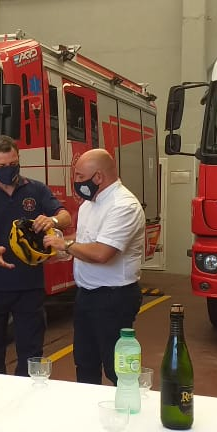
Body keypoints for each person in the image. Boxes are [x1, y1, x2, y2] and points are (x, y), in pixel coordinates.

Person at [0, 135, 71, 376]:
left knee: (32, 351)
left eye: (12, 163)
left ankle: (27, 397)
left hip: (30, 286)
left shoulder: (36, 190)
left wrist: (53, 219)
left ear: (19, 159)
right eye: (1, 166)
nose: (8, 169)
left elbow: (65, 216)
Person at [43, 149, 145, 385]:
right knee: (85, 362)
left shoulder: (123, 206)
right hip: (87, 295)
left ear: (98, 177)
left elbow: (102, 253)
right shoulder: (91, 204)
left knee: (117, 368)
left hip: (114, 298)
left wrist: (66, 245)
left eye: (79, 176)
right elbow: (84, 241)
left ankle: (130, 413)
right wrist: (56, 251)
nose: (75, 182)